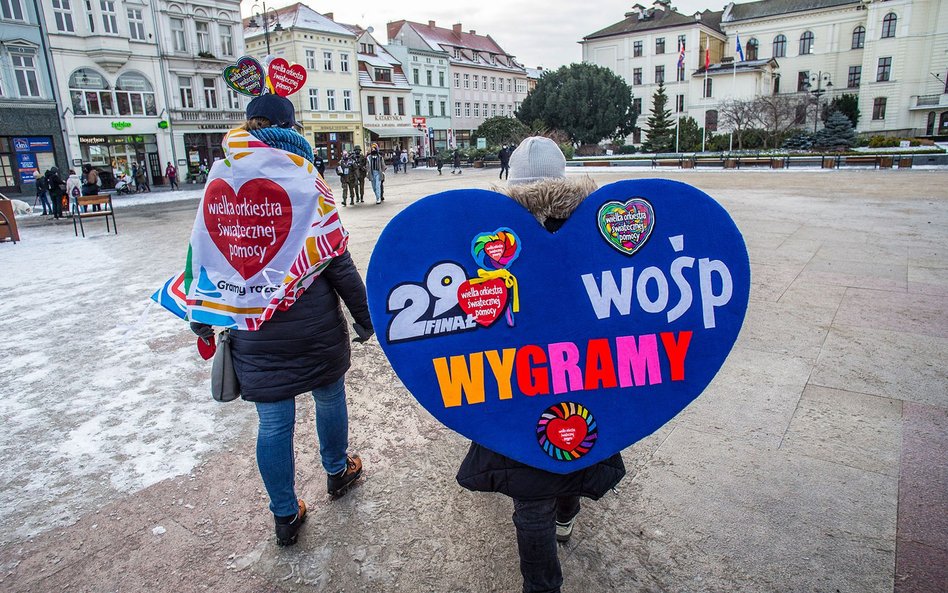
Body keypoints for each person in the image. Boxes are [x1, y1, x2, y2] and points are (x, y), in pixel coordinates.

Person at [188, 93, 373, 547]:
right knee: (329, 396)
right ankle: (336, 472)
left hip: (252, 325)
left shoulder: (220, 177)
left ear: (249, 124)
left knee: (273, 424)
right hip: (314, 323)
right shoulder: (305, 178)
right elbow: (335, 257)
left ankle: (285, 516)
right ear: (290, 128)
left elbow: (203, 252)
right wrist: (365, 318)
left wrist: (200, 315)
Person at [456, 137, 625, 593]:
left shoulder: (488, 238)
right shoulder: (592, 231)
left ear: (510, 180)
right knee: (576, 448)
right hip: (584, 375)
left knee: (530, 496)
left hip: (514, 381)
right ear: (565, 179)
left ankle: (542, 586)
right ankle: (567, 515)